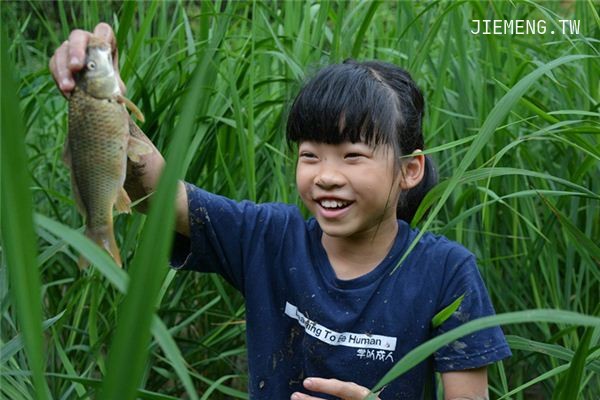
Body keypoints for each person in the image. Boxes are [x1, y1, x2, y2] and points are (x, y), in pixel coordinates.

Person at [50, 23, 511, 400]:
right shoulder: (268, 237)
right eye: (310, 155)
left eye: (352, 156)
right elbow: (151, 186)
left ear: (410, 170)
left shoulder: (447, 272)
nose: (326, 175)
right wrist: (96, 92)